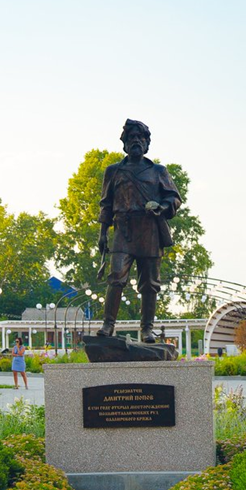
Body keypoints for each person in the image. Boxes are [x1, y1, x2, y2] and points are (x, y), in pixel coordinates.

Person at [96, 119, 182, 342]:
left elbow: (173, 197)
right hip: (123, 231)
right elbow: (106, 204)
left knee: (150, 283)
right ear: (124, 144)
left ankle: (146, 329)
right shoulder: (113, 171)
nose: (135, 141)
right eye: (131, 138)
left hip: (149, 230)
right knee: (115, 277)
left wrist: (162, 207)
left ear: (146, 144)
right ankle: (108, 326)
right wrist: (102, 234)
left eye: (140, 138)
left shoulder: (158, 171)